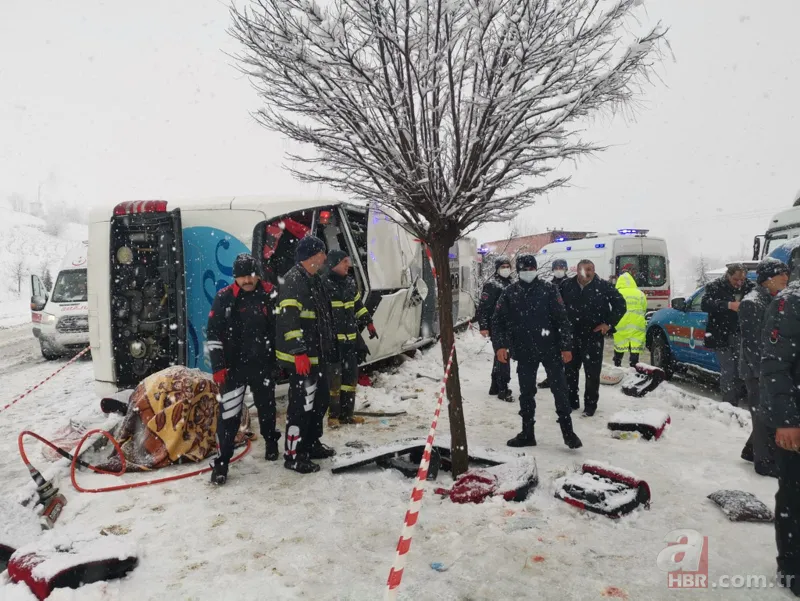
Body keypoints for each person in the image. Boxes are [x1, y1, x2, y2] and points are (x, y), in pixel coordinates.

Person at [492, 254, 582, 449]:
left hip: (550, 348)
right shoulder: (510, 292)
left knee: (560, 390)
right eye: (524, 269)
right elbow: (498, 321)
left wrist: (566, 346)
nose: (528, 272)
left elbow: (562, 319)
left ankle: (568, 432)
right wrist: (500, 345)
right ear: (518, 271)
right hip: (524, 349)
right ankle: (527, 433)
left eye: (531, 269)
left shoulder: (549, 290)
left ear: (536, 270)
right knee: (526, 393)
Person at [207, 253, 278, 485]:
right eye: (242, 276)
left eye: (251, 275)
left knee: (267, 408)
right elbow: (213, 333)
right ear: (235, 277)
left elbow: (279, 329)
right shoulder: (224, 297)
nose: (247, 280)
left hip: (263, 365)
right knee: (229, 416)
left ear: (257, 275)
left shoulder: (270, 293)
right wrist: (218, 366)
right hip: (233, 369)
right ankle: (222, 463)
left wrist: (278, 361)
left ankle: (271, 442)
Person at [276, 235, 339, 474]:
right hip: (302, 359)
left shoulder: (314, 280)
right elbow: (288, 320)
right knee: (301, 407)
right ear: (312, 255)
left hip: (318, 356)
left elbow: (323, 317)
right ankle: (294, 455)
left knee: (319, 402)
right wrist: (298, 352)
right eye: (322, 253)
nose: (325, 257)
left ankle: (312, 444)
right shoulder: (293, 280)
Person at [760, 279, 800, 596]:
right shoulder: (791, 301)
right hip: (796, 419)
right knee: (794, 495)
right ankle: (792, 567)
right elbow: (775, 365)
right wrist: (787, 420)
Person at [739, 259, 788, 477]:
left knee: (765, 413)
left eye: (786, 274)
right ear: (768, 279)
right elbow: (753, 344)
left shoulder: (773, 299)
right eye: (781, 275)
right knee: (763, 416)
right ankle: (764, 462)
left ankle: (751, 451)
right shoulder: (752, 302)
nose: (786, 279)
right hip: (757, 370)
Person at [560, 259, 626, 416]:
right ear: (577, 271)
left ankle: (590, 406)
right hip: (571, 335)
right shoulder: (566, 286)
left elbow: (621, 305)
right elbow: (556, 307)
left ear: (594, 270)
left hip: (593, 336)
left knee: (592, 373)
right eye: (584, 269)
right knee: (570, 371)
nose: (587, 272)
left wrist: (608, 324)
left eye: (590, 269)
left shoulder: (603, 286)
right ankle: (571, 402)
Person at [323, 249, 378, 427]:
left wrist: (368, 322)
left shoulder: (349, 283)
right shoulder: (323, 285)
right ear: (334, 264)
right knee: (334, 382)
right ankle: (333, 416)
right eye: (344, 262)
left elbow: (358, 305)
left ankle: (347, 415)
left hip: (350, 341)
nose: (348, 265)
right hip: (333, 343)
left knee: (350, 380)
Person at [701, 263, 755, 407]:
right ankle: (729, 404)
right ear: (728, 275)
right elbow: (705, 304)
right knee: (728, 369)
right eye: (736, 279)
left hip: (741, 333)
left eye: (742, 280)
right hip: (720, 334)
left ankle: (738, 398)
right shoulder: (714, 286)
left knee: (740, 368)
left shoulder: (750, 287)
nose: (739, 283)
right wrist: (728, 305)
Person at [478, 256, 514, 402]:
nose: (506, 269)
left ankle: (495, 386)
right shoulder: (492, 285)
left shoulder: (511, 283)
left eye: (507, 266)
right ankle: (503, 388)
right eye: (502, 267)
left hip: (509, 326)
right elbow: (483, 308)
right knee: (503, 355)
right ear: (497, 269)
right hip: (498, 326)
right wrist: (483, 326)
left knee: (499, 356)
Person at [539, 258, 571, 389]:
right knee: (552, 354)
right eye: (556, 268)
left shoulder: (571, 284)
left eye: (561, 268)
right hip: (552, 324)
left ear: (566, 269)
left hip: (567, 323)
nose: (559, 270)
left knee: (567, 352)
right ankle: (552, 378)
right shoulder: (549, 285)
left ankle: (567, 378)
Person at [612, 272, 647, 368]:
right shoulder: (640, 294)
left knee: (619, 345)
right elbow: (644, 309)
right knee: (635, 347)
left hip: (621, 324)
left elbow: (612, 308)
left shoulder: (617, 293)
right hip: (637, 325)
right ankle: (634, 365)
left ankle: (617, 364)